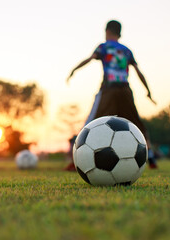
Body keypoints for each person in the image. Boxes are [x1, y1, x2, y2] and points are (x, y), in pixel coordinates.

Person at [66, 20, 158, 169]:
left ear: (107, 31)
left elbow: (89, 59)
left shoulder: (104, 47)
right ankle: (152, 159)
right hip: (125, 91)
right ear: (119, 33)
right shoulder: (126, 50)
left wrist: (74, 70)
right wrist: (148, 91)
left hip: (108, 90)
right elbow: (138, 71)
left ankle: (74, 160)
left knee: (91, 123)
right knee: (138, 124)